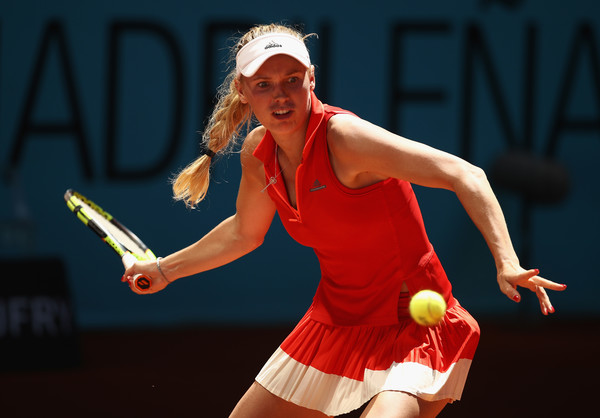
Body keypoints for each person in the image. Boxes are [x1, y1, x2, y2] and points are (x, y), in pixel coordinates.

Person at [123, 23, 567, 418]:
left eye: (292, 81)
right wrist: (165, 269)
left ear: (311, 79)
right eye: (264, 84)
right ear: (243, 90)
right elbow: (243, 232)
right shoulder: (258, 153)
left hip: (415, 321)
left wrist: (506, 260)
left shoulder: (345, 140)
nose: (280, 95)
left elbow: (464, 174)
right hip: (336, 321)